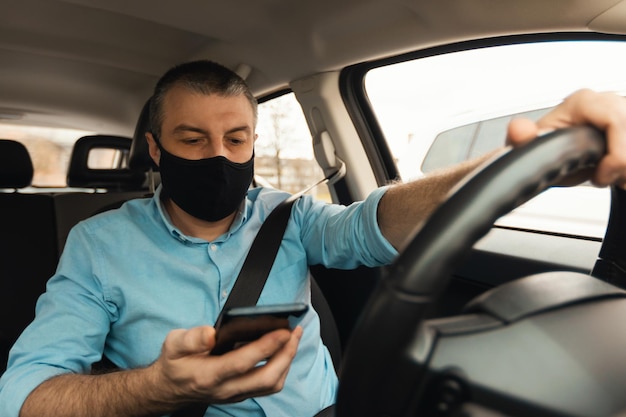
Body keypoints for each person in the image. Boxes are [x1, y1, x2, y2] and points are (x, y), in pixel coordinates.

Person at [1, 60, 626, 417]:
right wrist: (161, 387)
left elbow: (373, 223)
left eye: (237, 139)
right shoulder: (96, 243)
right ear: (156, 148)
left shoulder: (288, 215)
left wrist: (521, 158)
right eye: (192, 141)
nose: (219, 156)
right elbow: (24, 396)